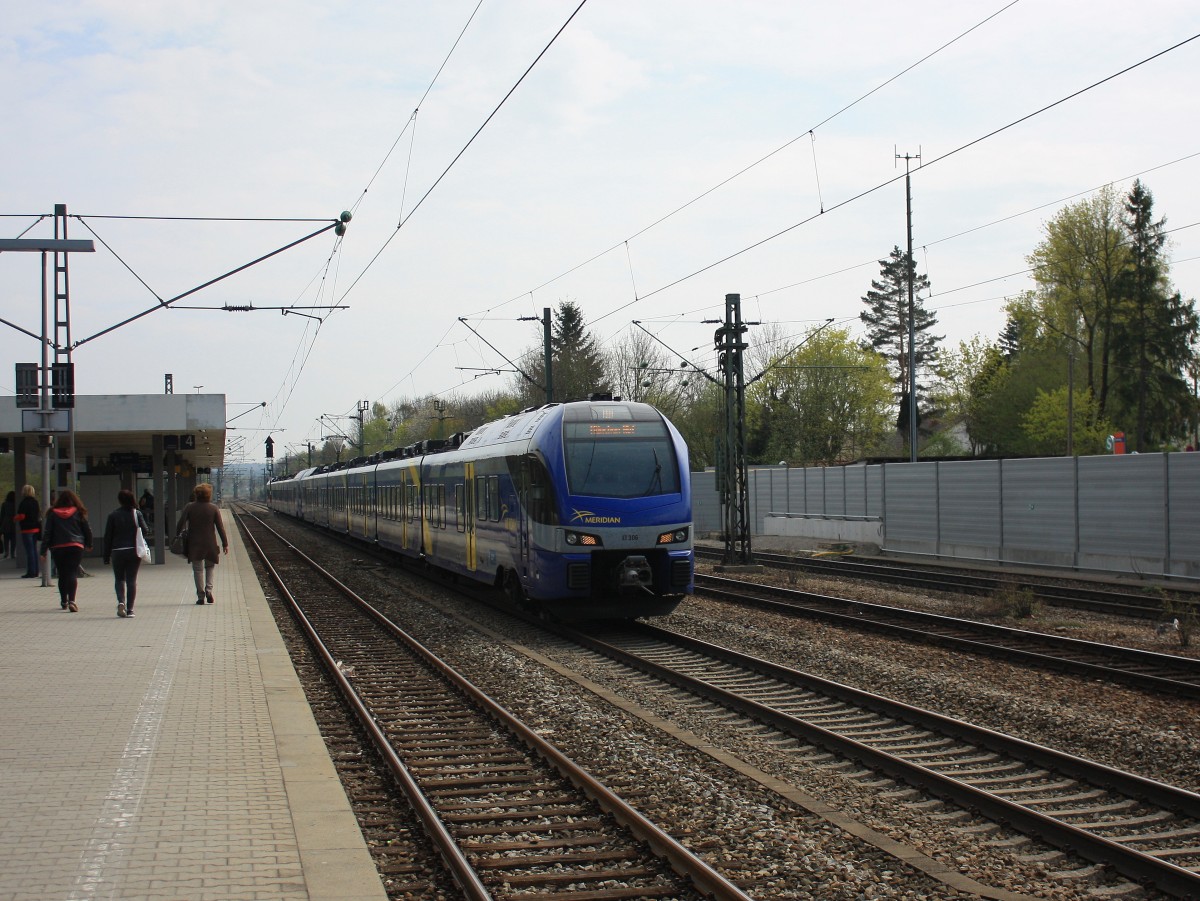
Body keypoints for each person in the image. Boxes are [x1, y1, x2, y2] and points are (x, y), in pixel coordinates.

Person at [40, 489, 93, 612]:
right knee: (72, 573)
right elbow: (87, 530)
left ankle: (64, 601)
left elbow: (47, 533)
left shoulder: (53, 514)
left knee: (62, 574)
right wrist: (89, 544)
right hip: (75, 546)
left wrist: (43, 551)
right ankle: (72, 601)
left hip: (58, 547)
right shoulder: (79, 512)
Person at [175, 483, 228, 605]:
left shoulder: (190, 507)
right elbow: (220, 527)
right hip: (210, 543)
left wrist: (177, 535)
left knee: (198, 570)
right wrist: (225, 543)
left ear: (196, 494)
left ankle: (200, 596)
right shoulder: (213, 508)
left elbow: (181, 523)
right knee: (210, 567)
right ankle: (209, 590)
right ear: (209, 495)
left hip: (195, 543)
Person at [103, 489, 151, 618]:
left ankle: (121, 602)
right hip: (133, 550)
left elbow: (108, 536)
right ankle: (130, 610)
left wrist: (106, 556)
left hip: (117, 551)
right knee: (131, 580)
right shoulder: (137, 514)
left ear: (119, 500)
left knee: (119, 579)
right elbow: (146, 530)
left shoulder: (113, 515)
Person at [14, 485, 42, 579]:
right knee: (34, 550)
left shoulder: (24, 503)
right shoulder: (35, 502)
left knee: (29, 551)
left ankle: (31, 571)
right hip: (36, 528)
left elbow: (22, 516)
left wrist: (14, 518)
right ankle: (36, 571)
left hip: (27, 529)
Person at [0, 490, 15, 560]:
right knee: (13, 539)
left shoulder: (4, 504)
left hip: (6, 523)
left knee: (6, 538)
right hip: (14, 522)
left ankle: (6, 552)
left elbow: (2, 515)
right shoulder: (16, 504)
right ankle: (12, 553)